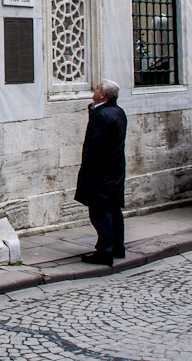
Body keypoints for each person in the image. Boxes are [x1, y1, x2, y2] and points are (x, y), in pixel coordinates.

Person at [75, 79, 128, 267]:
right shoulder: (117, 112)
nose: (94, 90)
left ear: (103, 95)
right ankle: (117, 247)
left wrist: (87, 170)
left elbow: (95, 146)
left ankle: (105, 252)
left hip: (101, 173)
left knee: (100, 212)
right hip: (115, 170)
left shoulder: (102, 115)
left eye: (97, 88)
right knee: (113, 209)